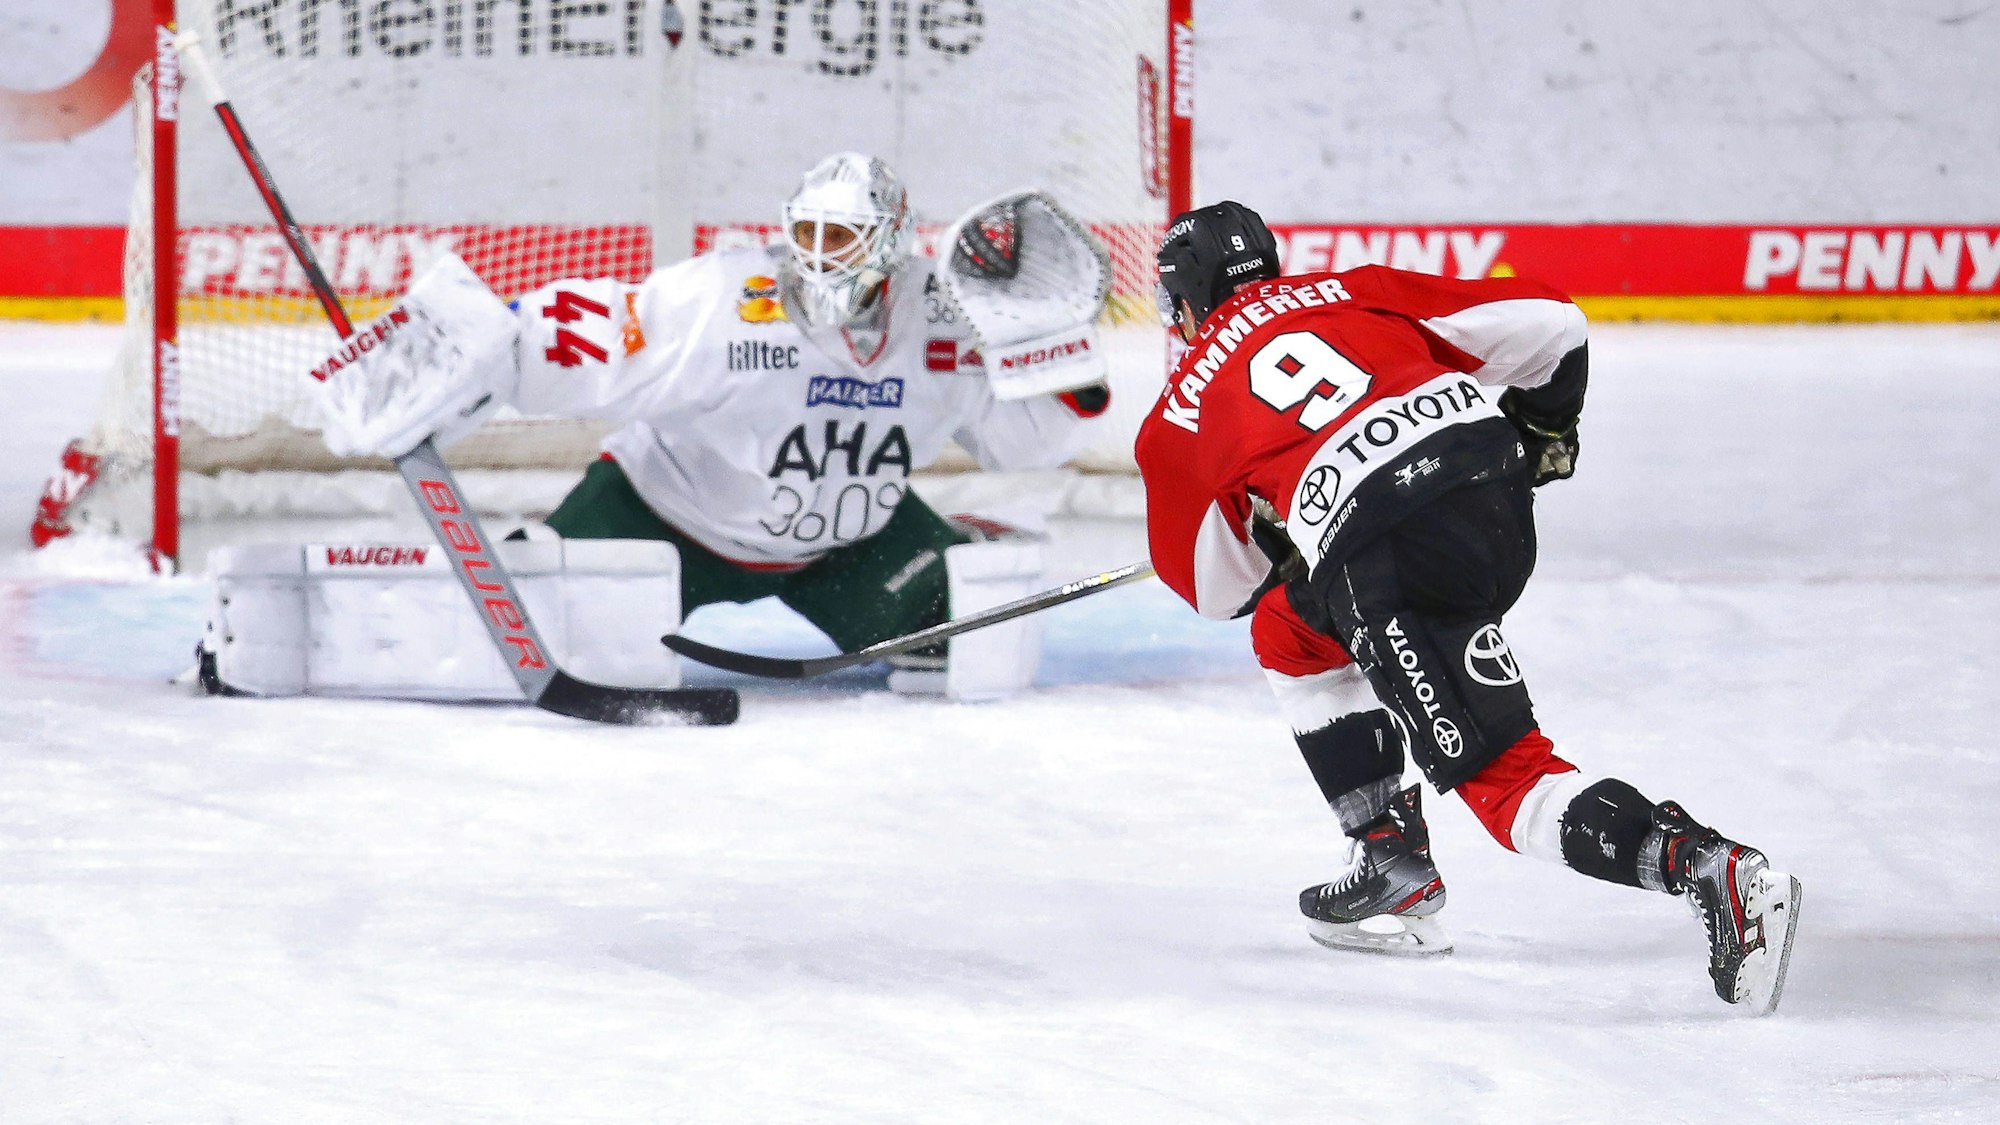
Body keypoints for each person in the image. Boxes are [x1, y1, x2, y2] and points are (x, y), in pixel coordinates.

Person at [1134, 201, 1802, 1013]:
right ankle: (1388, 856)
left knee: (1508, 785)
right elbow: (1556, 325)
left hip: (1389, 552)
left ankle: (1710, 867)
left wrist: (1283, 529)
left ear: (1186, 302)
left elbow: (1217, 589)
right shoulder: (1353, 287)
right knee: (1292, 630)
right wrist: (1547, 429)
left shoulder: (1178, 413)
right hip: (1492, 496)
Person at [198, 153, 1111, 704]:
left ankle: (949, 549)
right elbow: (573, 338)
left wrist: (1059, 358)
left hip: (853, 544)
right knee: (525, 635)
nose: (816, 258)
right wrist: (453, 359)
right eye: (807, 234)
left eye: (841, 241)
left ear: (888, 243)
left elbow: (1023, 445)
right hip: (659, 517)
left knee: (967, 634)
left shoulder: (943, 321)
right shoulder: (725, 300)